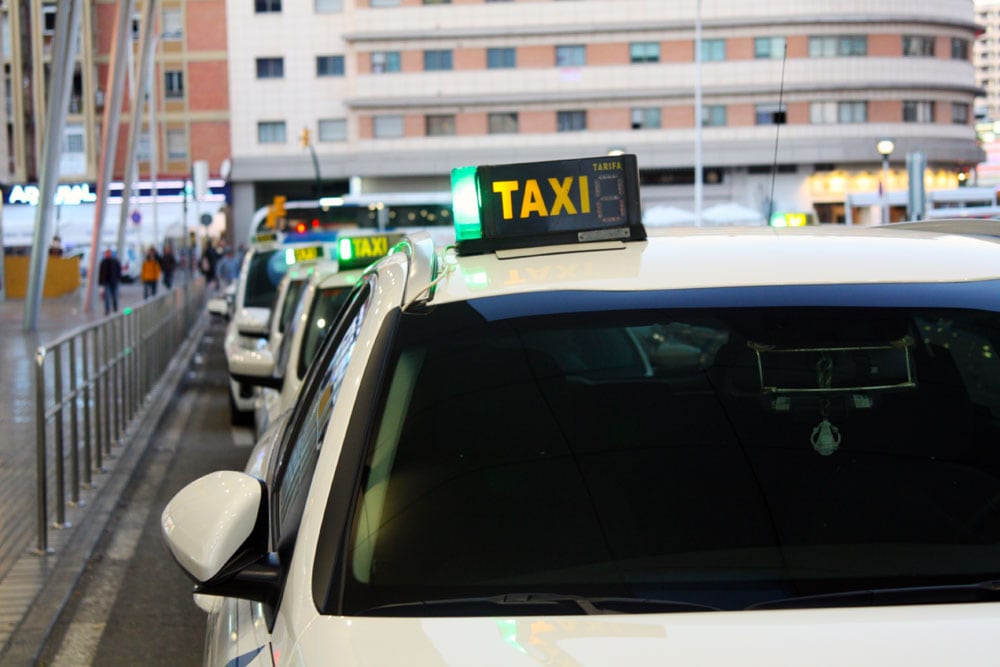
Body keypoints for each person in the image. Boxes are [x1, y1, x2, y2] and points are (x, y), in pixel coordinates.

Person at [98, 248, 122, 315]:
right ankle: (107, 310)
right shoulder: (103, 262)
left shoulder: (115, 261)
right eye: (106, 253)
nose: (107, 254)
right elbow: (101, 273)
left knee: (114, 296)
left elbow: (119, 270)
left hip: (114, 282)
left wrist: (118, 279)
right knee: (107, 297)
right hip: (106, 282)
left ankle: (115, 309)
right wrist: (100, 283)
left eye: (109, 253)